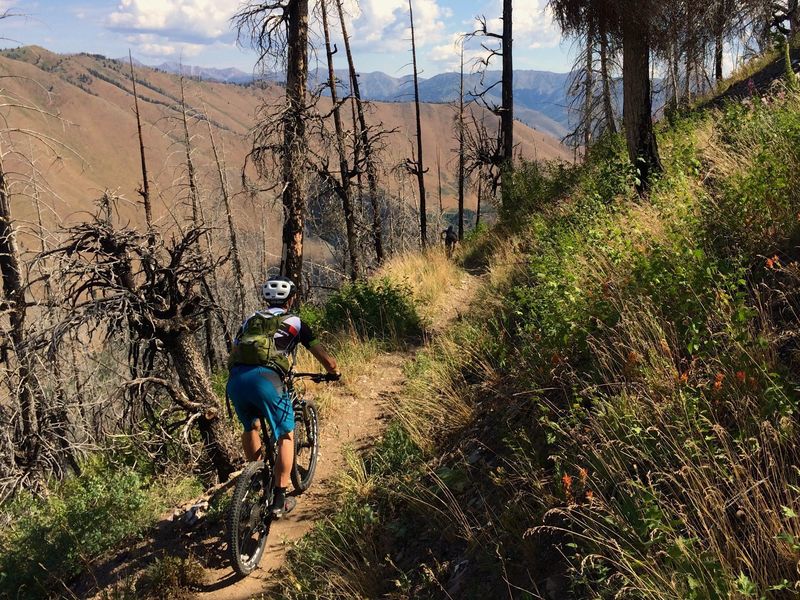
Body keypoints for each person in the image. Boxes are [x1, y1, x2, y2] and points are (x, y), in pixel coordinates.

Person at [226, 276, 340, 518]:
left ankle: (256, 477)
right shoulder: (296, 322)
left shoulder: (249, 321)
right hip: (268, 381)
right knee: (286, 435)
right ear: (291, 299)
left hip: (236, 380)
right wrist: (334, 371)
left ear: (266, 299)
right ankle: (279, 498)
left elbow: (236, 349)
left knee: (251, 427)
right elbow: (324, 357)